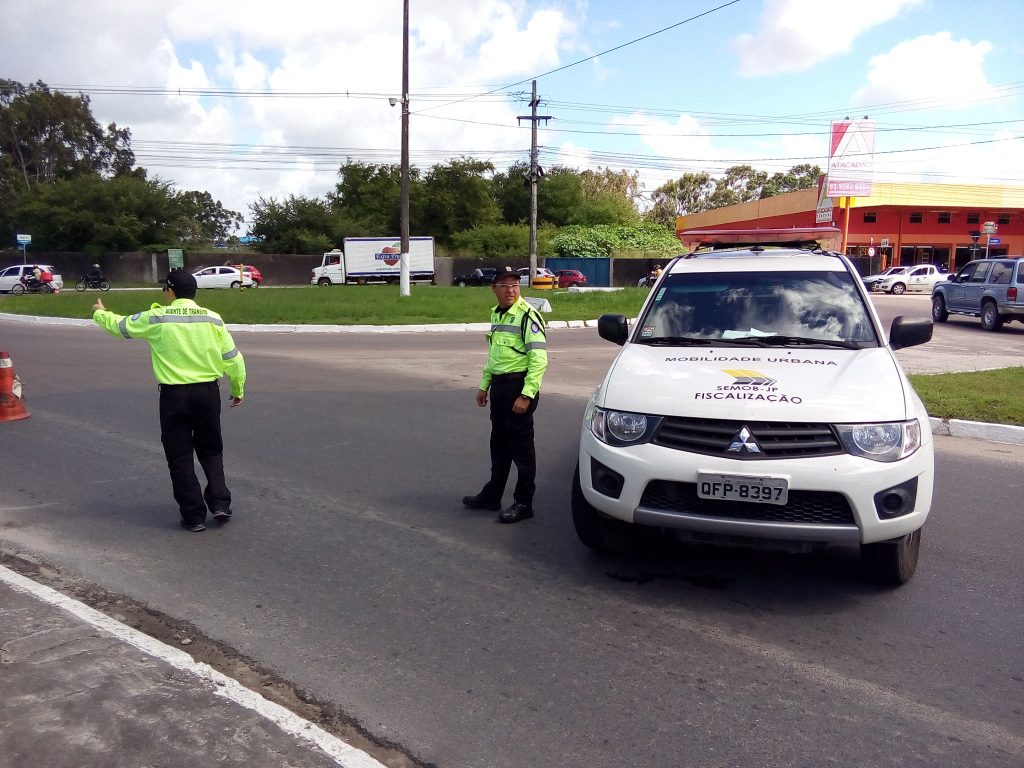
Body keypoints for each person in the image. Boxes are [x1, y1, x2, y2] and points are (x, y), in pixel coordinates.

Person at [91, 270, 246, 532]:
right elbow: (233, 357)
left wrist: (98, 312)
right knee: (211, 449)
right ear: (194, 293)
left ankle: (194, 516)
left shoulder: (157, 317)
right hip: (208, 393)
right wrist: (238, 387)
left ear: (170, 292)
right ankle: (220, 504)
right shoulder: (213, 319)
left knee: (179, 454)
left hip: (175, 396)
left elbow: (120, 327)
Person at [462, 266, 548, 523]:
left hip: (518, 388)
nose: (511, 290)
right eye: (505, 285)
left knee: (521, 449)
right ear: (494, 288)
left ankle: (524, 502)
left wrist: (527, 395)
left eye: (515, 285)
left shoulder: (527, 316)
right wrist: (484, 384)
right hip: (500, 388)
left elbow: (539, 359)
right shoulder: (498, 315)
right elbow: (496, 356)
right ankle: (492, 495)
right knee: (499, 444)